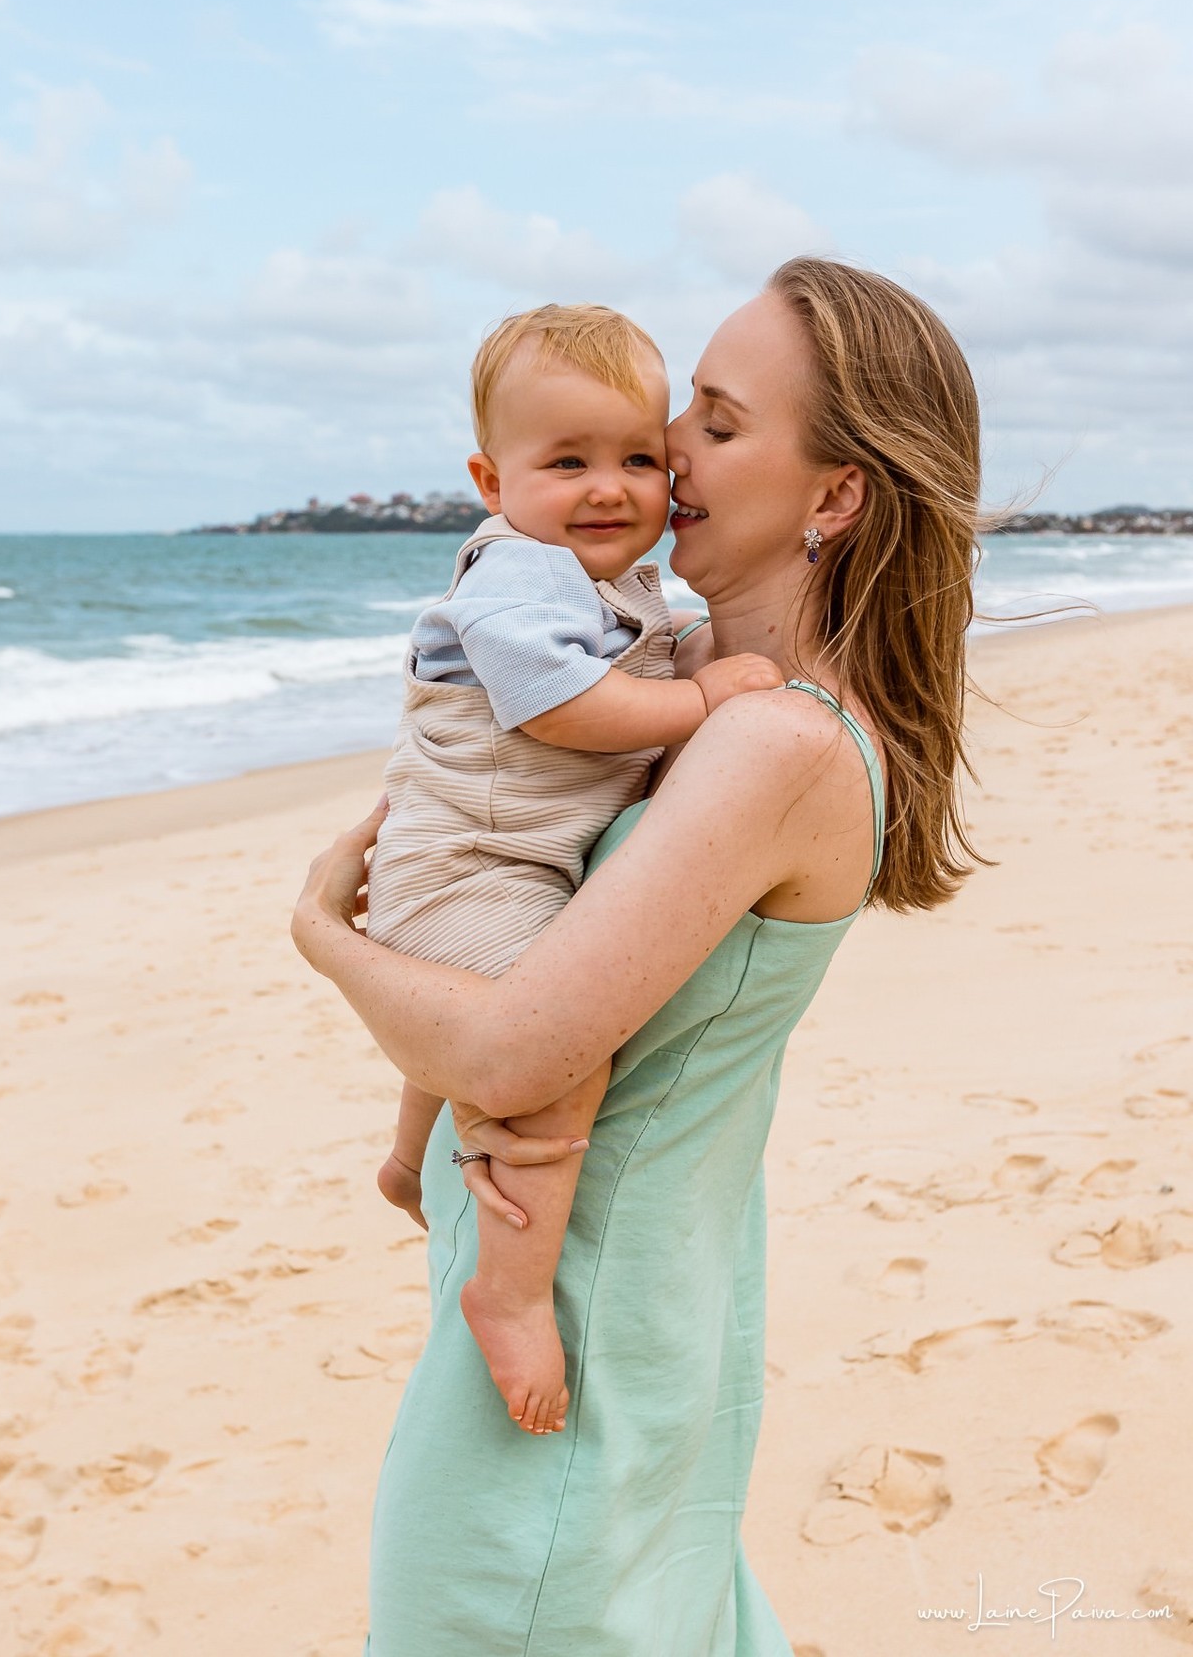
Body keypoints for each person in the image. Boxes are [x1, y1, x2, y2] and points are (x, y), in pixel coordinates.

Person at [292, 257, 984, 1656]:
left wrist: (320, 936)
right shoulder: (699, 702)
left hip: (575, 1368)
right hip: (639, 1321)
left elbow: (506, 1049)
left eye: (717, 426)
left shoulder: (767, 740)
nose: (669, 456)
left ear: (835, 496)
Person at [365, 301, 782, 1438]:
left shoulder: (612, 587)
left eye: (638, 458)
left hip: (509, 863)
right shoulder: (521, 574)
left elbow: (638, 665)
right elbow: (556, 706)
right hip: (466, 869)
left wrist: (705, 663)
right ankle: (506, 1292)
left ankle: (411, 1162)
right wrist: (700, 697)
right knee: (555, 1049)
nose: (611, 489)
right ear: (490, 482)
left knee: (483, 1004)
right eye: (568, 462)